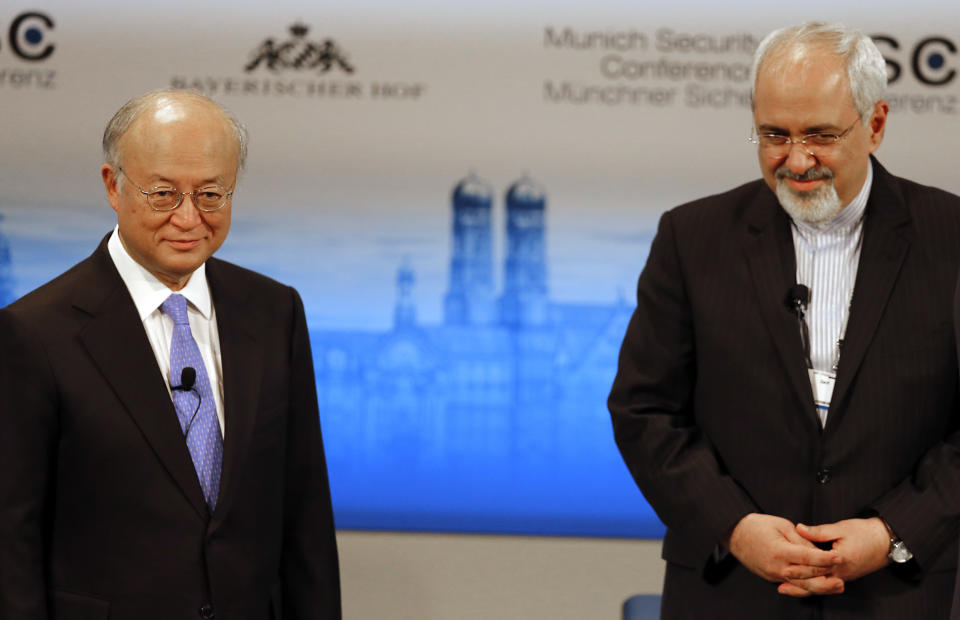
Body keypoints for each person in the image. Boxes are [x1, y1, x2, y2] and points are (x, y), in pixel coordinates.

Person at [608, 22, 960, 619]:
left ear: (875, 124)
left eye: (820, 134)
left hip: (905, 591)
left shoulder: (950, 238)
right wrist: (735, 525)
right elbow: (645, 411)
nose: (796, 160)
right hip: (732, 589)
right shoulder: (692, 239)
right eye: (774, 134)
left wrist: (894, 531)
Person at [0, 90, 341, 619]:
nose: (188, 218)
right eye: (163, 193)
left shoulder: (275, 313)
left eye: (212, 194)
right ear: (113, 186)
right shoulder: (34, 332)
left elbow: (305, 515)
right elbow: (10, 537)